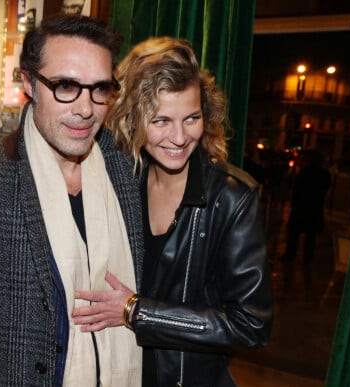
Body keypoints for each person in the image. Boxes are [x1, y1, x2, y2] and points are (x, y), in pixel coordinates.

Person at [0, 14, 144, 387]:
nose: (86, 109)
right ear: (28, 83)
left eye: (99, 89)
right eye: (66, 86)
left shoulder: (124, 173)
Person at [72, 37, 273, 386]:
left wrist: (137, 311)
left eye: (191, 118)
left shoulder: (232, 198)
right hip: (121, 372)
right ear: (133, 119)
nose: (179, 137)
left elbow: (251, 324)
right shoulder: (121, 183)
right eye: (161, 121)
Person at [280, 149, 331, 285]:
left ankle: (290, 256)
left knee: (295, 236)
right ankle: (306, 260)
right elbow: (324, 190)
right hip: (313, 209)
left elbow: (297, 190)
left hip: (302, 209)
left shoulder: (305, 172)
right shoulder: (324, 174)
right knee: (310, 237)